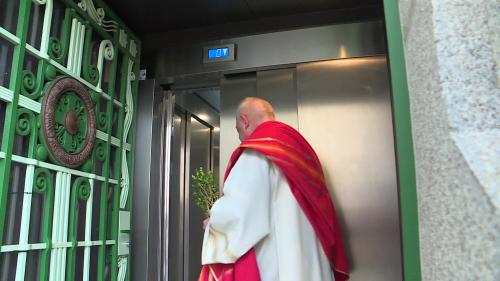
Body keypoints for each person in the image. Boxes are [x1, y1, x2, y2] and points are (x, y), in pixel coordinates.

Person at [198, 97, 349, 281]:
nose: (241, 139)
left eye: (239, 132)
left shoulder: (257, 151)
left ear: (245, 122)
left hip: (281, 266)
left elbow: (240, 212)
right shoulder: (302, 149)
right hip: (313, 266)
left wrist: (214, 221)